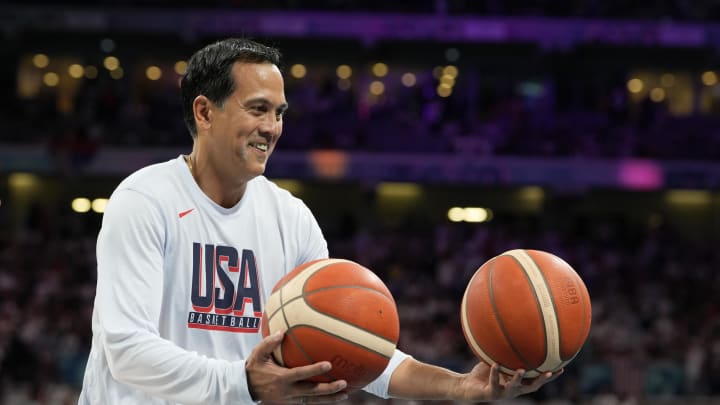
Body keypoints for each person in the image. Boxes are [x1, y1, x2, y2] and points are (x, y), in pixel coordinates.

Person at [78, 37, 561, 404]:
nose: (271, 127)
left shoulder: (290, 218)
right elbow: (125, 348)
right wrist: (243, 382)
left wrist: (459, 387)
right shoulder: (145, 199)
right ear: (204, 111)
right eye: (258, 109)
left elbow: (356, 346)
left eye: (280, 113)